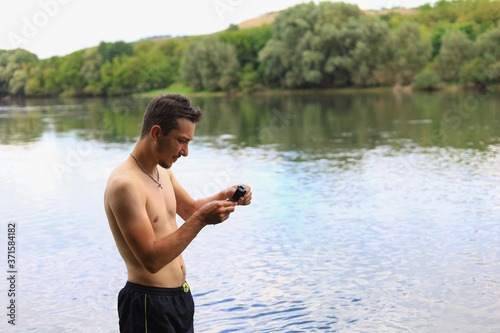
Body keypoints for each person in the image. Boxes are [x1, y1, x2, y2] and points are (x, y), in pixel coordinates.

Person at [104, 94, 252, 333]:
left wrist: (225, 194)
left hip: (180, 298)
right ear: (156, 133)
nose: (185, 152)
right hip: (147, 304)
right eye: (181, 141)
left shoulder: (162, 171)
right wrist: (203, 219)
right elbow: (151, 260)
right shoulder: (125, 185)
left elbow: (190, 209)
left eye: (189, 142)